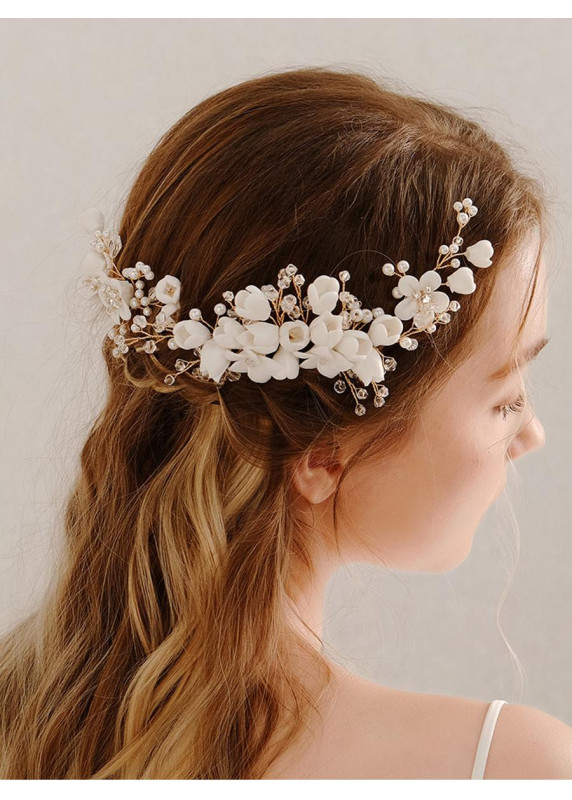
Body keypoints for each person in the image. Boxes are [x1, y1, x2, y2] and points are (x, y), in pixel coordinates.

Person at [1, 66, 571, 780]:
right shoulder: (504, 767)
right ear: (324, 450)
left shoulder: (24, 724)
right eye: (505, 397)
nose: (531, 435)